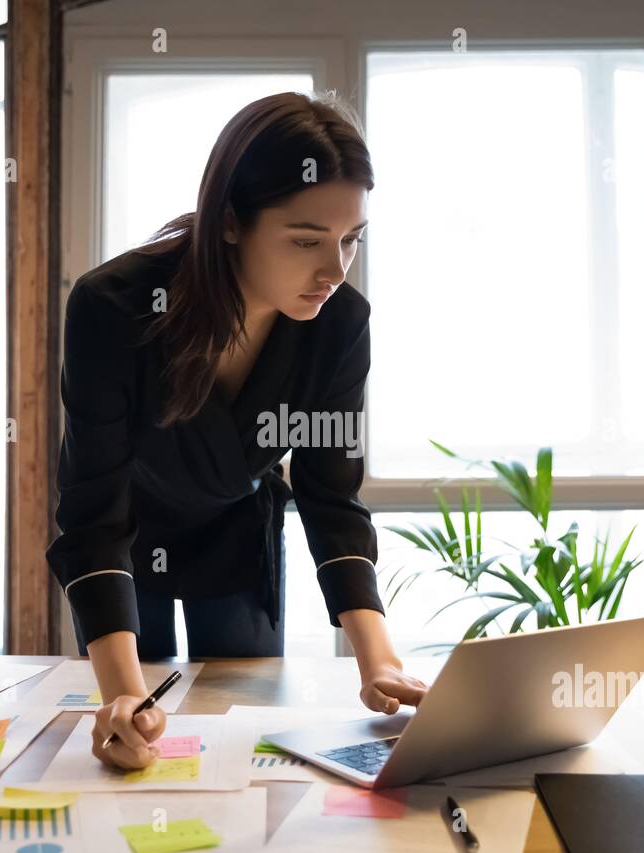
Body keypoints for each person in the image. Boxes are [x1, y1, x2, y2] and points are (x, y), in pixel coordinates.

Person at [46, 90, 429, 771]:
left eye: (351, 240)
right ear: (229, 223)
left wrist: (380, 661)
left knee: (239, 734)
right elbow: (93, 514)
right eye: (307, 240)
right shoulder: (113, 307)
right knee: (137, 728)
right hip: (127, 539)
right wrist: (123, 705)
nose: (335, 271)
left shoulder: (340, 326)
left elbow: (330, 497)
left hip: (236, 529)